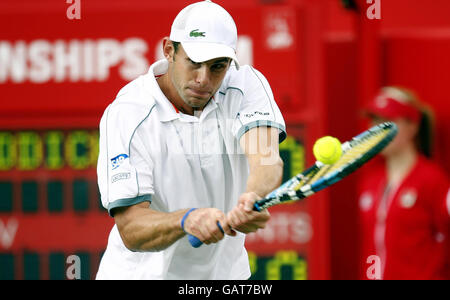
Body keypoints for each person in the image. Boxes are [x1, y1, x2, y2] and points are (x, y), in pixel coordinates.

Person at [95, 0, 286, 279]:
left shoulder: (245, 85)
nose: (203, 79)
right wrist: (186, 220)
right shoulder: (127, 113)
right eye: (194, 63)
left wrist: (253, 196)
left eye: (217, 67)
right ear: (169, 50)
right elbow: (131, 229)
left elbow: (266, 159)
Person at [358, 86, 450, 280]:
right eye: (375, 120)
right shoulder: (371, 182)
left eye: (387, 121)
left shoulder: (432, 180)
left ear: (412, 126)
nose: (378, 129)